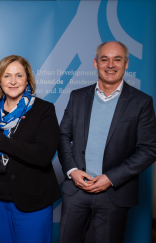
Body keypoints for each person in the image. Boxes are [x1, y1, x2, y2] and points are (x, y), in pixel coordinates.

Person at [58, 41, 156, 243]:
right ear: (95, 63)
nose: (110, 65)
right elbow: (62, 136)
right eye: (105, 59)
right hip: (77, 190)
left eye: (117, 59)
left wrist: (111, 178)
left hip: (114, 192)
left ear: (126, 63)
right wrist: (72, 171)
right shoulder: (77, 97)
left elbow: (149, 149)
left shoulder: (142, 102)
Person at [0, 55, 61, 243]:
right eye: (7, 76)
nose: (13, 81)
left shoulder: (43, 110)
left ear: (28, 80)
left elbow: (43, 155)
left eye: (19, 76)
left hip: (31, 198)